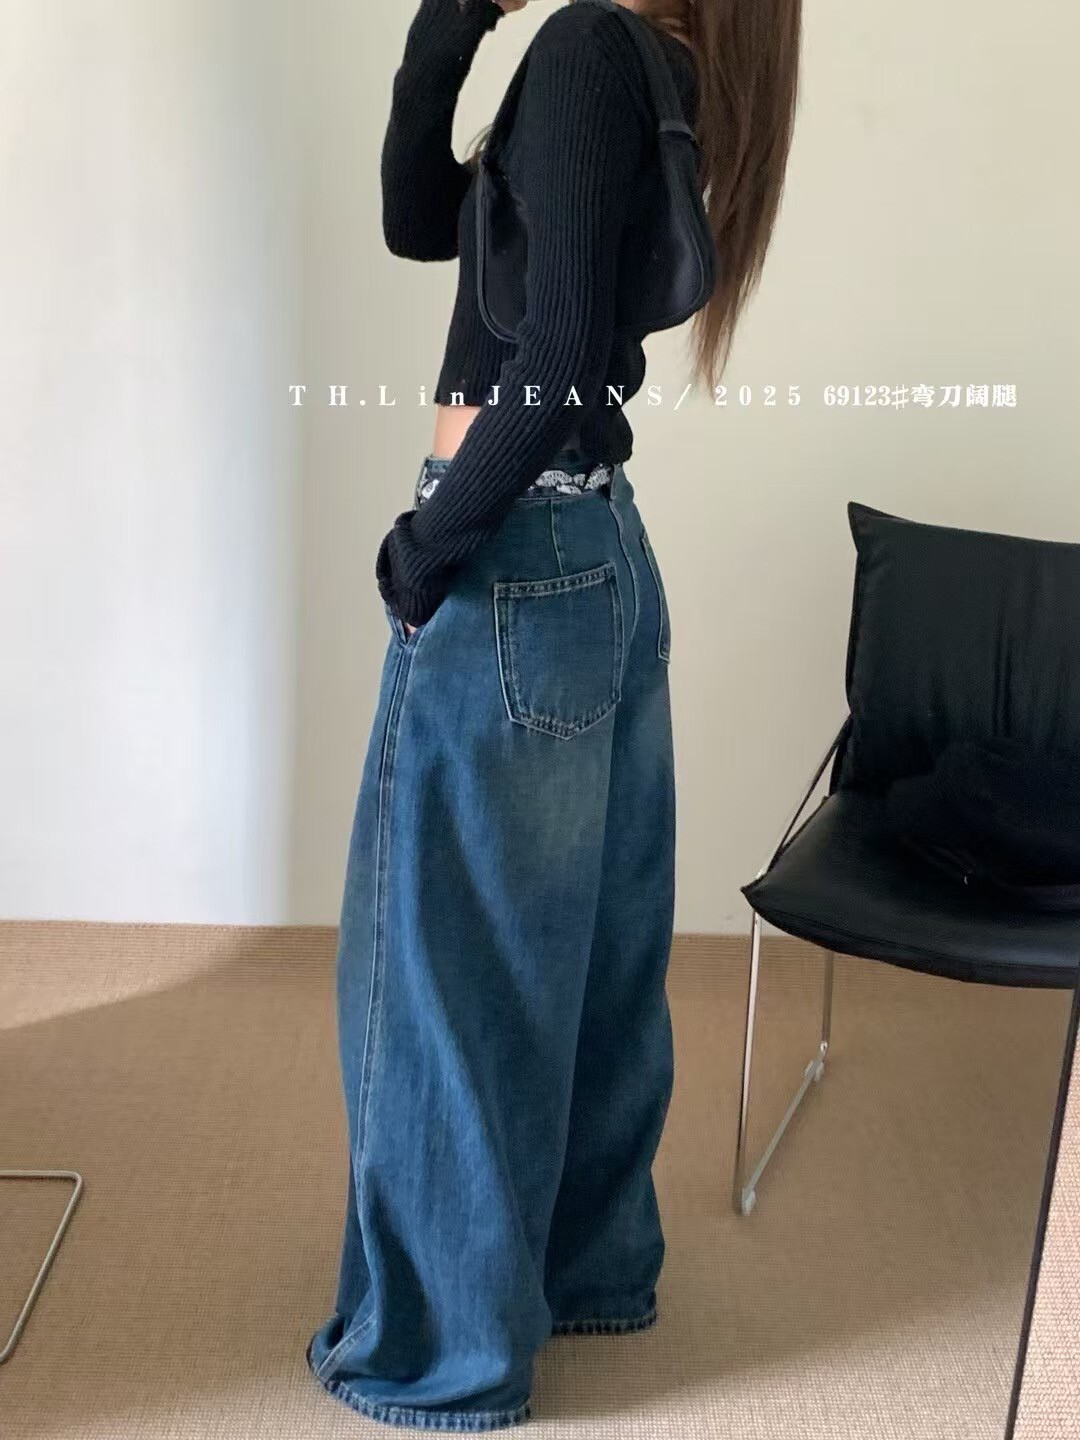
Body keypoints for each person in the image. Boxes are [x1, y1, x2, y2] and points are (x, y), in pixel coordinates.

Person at [306, 0, 801, 1428]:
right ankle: (588, 1269)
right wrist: (453, 23)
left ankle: (435, 1358)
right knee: (589, 956)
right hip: (591, 554)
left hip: (513, 555)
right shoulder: (649, 63)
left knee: (444, 975)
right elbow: (422, 221)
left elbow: (564, 351)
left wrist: (429, 546)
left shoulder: (590, 49)